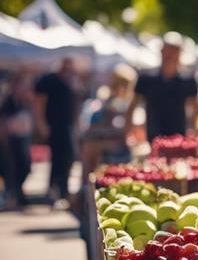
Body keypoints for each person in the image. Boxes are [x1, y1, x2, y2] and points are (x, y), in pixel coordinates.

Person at [130, 32, 198, 142]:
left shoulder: (188, 80)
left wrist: (193, 129)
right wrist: (131, 128)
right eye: (167, 50)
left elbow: (194, 108)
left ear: (179, 53)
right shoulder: (146, 78)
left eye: (173, 50)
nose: (170, 54)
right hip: (152, 136)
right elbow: (133, 104)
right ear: (161, 51)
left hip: (178, 137)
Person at [34, 56, 84, 204]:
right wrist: (41, 124)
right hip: (54, 125)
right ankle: (53, 189)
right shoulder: (49, 80)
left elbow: (77, 102)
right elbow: (39, 102)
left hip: (68, 125)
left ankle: (63, 189)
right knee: (57, 157)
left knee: (68, 157)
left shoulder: (72, 81)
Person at [80, 63, 136, 183]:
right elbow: (91, 144)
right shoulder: (110, 106)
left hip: (114, 158)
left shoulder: (111, 104)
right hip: (107, 159)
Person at [1, 73, 35, 207]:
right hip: (11, 139)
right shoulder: (8, 102)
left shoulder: (25, 102)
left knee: (25, 166)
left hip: (23, 138)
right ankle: (14, 193)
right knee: (12, 168)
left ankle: (17, 192)